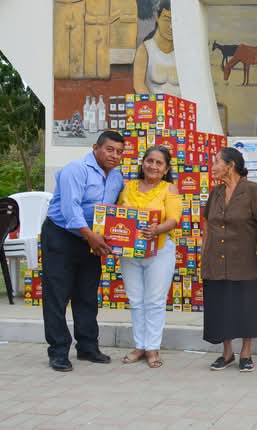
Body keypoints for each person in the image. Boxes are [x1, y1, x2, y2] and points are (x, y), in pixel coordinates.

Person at [42, 130, 125, 372]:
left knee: (87, 294)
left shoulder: (116, 177)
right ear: (95, 148)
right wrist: (92, 238)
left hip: (91, 240)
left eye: (119, 152)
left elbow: (113, 211)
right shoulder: (75, 170)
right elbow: (71, 210)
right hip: (61, 235)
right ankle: (58, 351)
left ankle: (88, 347)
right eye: (109, 149)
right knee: (57, 295)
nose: (114, 155)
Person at [202, 147, 257, 372]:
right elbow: (207, 225)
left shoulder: (252, 190)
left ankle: (246, 353)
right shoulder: (216, 192)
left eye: (216, 162)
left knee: (246, 305)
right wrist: (204, 255)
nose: (213, 166)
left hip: (246, 259)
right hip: (216, 259)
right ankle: (227, 352)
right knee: (221, 305)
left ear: (230, 166)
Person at [118, 146, 181, 368]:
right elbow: (118, 214)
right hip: (130, 252)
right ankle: (140, 346)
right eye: (149, 161)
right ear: (142, 163)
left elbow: (174, 219)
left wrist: (157, 229)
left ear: (166, 169)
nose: (153, 166)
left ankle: (152, 348)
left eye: (159, 163)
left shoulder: (169, 189)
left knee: (154, 301)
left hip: (159, 251)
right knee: (136, 300)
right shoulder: (128, 187)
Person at [133, 0, 180, 96]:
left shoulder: (185, 50)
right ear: (157, 17)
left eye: (175, 20)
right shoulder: (145, 50)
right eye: (167, 20)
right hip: (154, 104)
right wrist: (153, 103)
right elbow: (139, 86)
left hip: (182, 104)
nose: (171, 27)